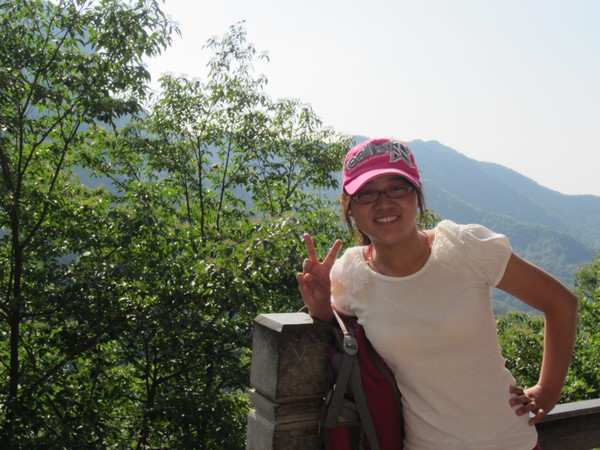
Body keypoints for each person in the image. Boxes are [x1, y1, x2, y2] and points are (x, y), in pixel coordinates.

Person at [297, 138, 578, 449]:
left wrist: (547, 391)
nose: (384, 202)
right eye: (367, 193)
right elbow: (331, 332)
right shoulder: (350, 274)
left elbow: (561, 304)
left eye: (397, 188)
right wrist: (320, 307)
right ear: (350, 210)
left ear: (416, 196)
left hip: (511, 441)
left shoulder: (465, 246)